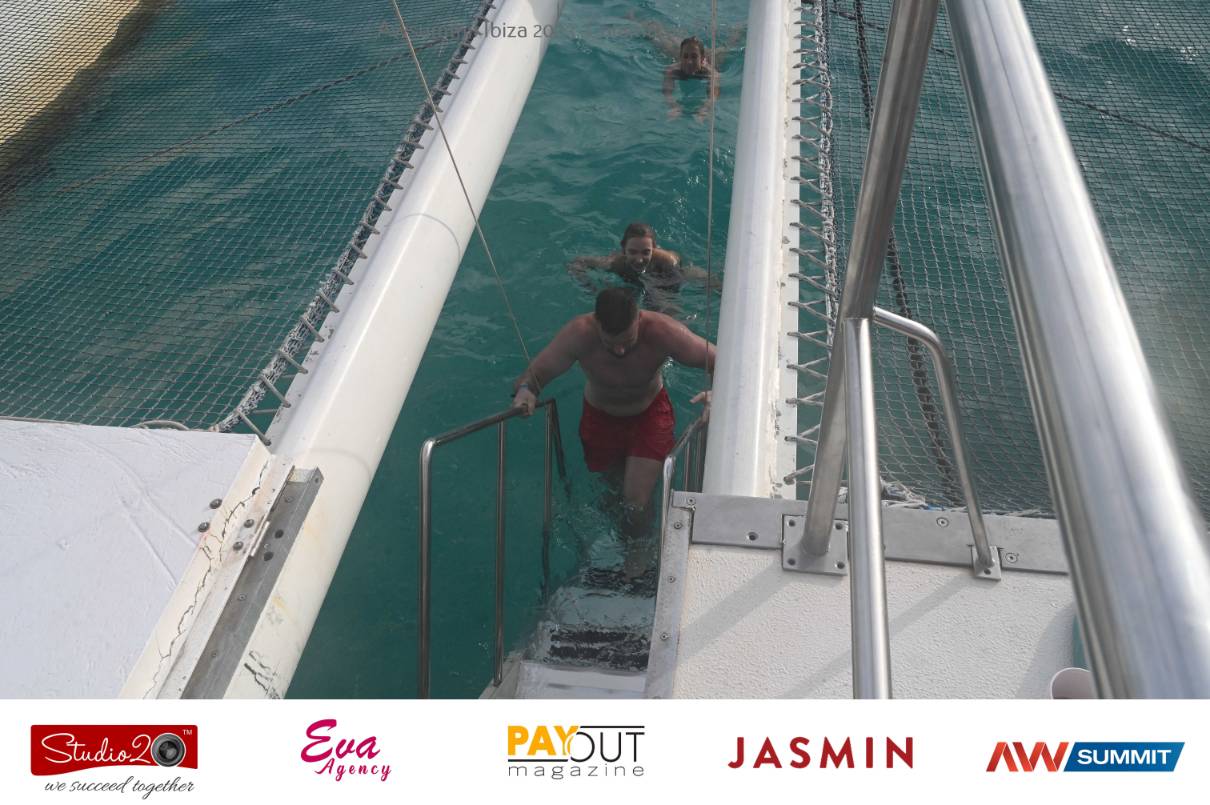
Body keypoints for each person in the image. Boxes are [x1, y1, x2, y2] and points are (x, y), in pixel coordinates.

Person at [511, 288, 715, 580]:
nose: (620, 351)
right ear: (597, 324)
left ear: (639, 319)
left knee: (635, 499)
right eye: (611, 344)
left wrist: (715, 394)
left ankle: (639, 551)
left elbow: (718, 359)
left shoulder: (663, 332)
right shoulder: (579, 334)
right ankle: (628, 538)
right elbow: (535, 375)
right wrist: (526, 391)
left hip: (649, 416)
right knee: (613, 495)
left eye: (627, 342)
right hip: (600, 419)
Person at [567, 222, 720, 313]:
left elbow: (687, 275)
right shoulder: (615, 263)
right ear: (623, 250)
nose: (639, 259)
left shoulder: (667, 261)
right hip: (636, 281)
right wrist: (590, 288)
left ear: (654, 248)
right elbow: (577, 263)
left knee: (659, 305)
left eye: (646, 252)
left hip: (664, 277)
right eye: (632, 252)